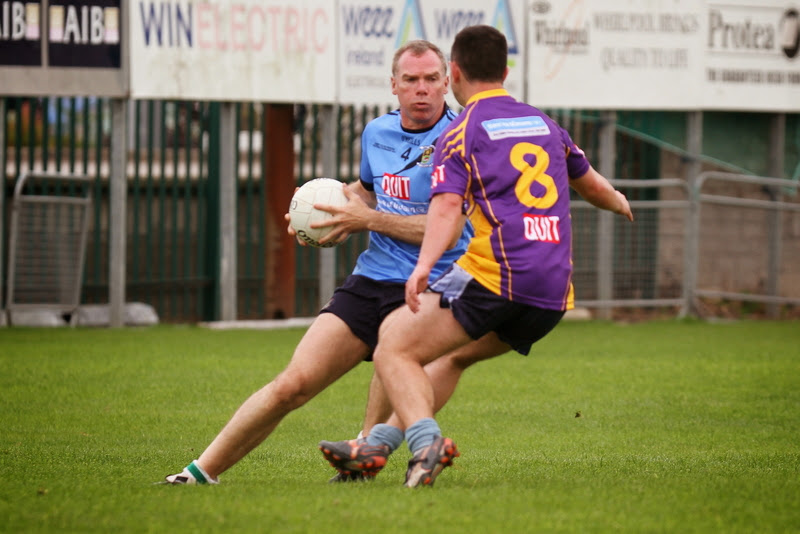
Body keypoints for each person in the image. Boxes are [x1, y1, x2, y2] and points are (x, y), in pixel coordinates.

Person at [163, 40, 508, 485]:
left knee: (396, 353)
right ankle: (197, 473)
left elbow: (447, 227)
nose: (421, 90)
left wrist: (366, 219)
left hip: (434, 284)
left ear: (447, 82)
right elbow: (366, 191)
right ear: (393, 85)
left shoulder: (463, 137)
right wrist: (320, 213)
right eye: (410, 80)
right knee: (292, 385)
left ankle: (365, 451)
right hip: (373, 278)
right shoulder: (376, 134)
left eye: (430, 80)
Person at [318, 25, 634, 488]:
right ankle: (376, 446)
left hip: (498, 278)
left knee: (393, 344)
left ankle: (426, 444)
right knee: (449, 360)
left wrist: (422, 269)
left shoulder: (461, 132)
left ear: (456, 74)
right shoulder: (544, 123)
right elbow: (594, 187)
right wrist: (621, 204)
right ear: (506, 72)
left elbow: (446, 211)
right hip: (552, 293)